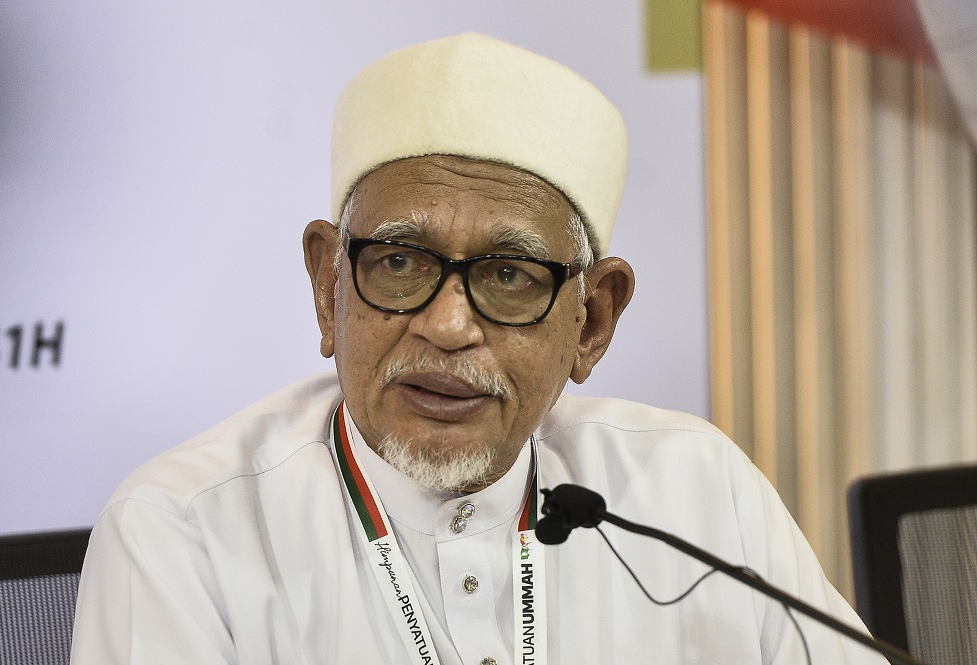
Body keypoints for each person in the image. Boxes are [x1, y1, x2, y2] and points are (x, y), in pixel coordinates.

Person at [71, 33, 886, 665]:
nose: (449, 325)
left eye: (508, 275)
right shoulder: (182, 534)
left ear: (591, 320)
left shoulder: (694, 491)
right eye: (398, 262)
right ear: (328, 288)